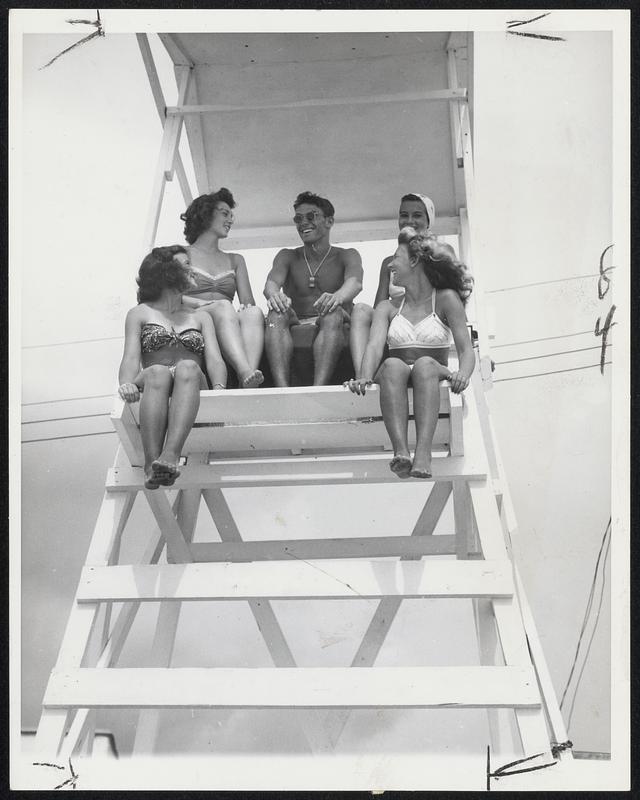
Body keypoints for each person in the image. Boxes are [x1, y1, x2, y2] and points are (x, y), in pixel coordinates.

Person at [346, 227, 474, 479]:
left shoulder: (446, 299)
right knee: (392, 364)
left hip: (432, 371)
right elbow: (373, 346)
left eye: (396, 258)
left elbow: (466, 349)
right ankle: (401, 452)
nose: (390, 265)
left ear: (415, 260)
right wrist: (363, 375)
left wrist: (463, 374)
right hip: (399, 374)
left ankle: (423, 454)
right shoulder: (387, 307)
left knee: (426, 364)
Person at [118, 246, 227, 490]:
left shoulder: (200, 317)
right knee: (157, 371)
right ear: (166, 272)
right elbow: (130, 358)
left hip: (192, 383)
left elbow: (215, 360)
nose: (193, 269)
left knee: (187, 366)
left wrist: (220, 389)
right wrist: (126, 384)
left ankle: (171, 454)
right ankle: (151, 465)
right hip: (155, 384)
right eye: (185, 264)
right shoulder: (139, 313)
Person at [349, 192, 458, 374]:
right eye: (403, 215)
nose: (409, 220)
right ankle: (363, 376)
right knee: (360, 310)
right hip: (396, 316)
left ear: (428, 220)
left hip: (429, 315)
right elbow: (380, 305)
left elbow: (453, 295)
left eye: (417, 215)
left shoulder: (442, 252)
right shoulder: (389, 262)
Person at [263, 191, 363, 386]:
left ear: (329, 221)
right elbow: (271, 283)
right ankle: (282, 389)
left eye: (311, 216)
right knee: (276, 313)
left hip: (333, 318)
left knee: (331, 312)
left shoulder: (346, 255)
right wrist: (275, 296)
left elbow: (355, 282)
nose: (303, 223)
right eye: (298, 219)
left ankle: (319, 387)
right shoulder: (288, 256)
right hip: (297, 317)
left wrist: (337, 297)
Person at [180, 188, 265, 388]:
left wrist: (246, 309)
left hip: (223, 316)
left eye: (231, 215)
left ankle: (249, 376)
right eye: (225, 213)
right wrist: (202, 302)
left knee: (254, 312)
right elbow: (167, 296)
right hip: (191, 314)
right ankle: (243, 370)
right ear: (206, 214)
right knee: (223, 306)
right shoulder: (182, 253)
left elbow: (247, 303)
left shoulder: (235, 259)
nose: (231, 220)